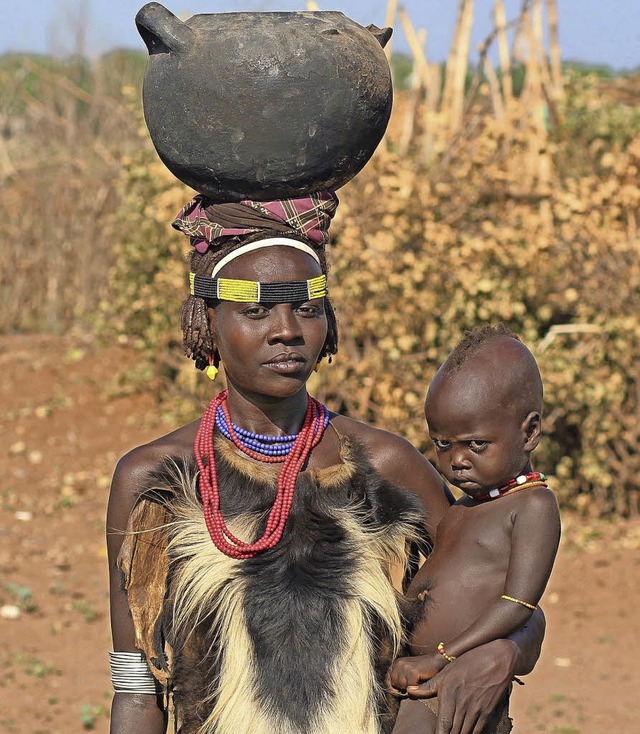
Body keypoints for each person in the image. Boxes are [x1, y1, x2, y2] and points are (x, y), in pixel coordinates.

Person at [106, 196, 545, 734]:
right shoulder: (155, 481)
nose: (287, 329)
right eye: (257, 310)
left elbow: (502, 601)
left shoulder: (387, 466)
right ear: (207, 323)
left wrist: (504, 653)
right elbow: (135, 684)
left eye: (307, 307)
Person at [389, 324, 561, 734]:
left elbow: (518, 605)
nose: (457, 460)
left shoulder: (532, 506)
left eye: (476, 445)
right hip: (421, 678)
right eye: (443, 444)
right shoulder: (464, 508)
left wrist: (442, 657)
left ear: (530, 432)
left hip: (457, 686)